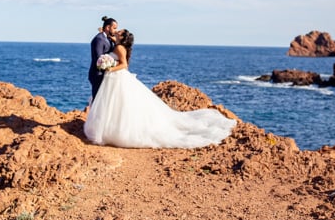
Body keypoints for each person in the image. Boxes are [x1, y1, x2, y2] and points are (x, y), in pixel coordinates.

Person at [84, 29, 237, 148]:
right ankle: (109, 128)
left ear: (122, 37)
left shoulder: (119, 48)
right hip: (114, 79)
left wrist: (109, 69)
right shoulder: (117, 45)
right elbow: (108, 39)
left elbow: (124, 65)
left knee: (118, 104)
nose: (116, 32)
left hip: (116, 76)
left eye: (119, 32)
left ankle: (114, 130)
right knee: (115, 104)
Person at [88, 16, 118, 101]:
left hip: (105, 74)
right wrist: (112, 65)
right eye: (114, 28)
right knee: (97, 100)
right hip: (98, 75)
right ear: (108, 27)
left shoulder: (108, 38)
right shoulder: (99, 39)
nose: (116, 30)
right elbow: (99, 59)